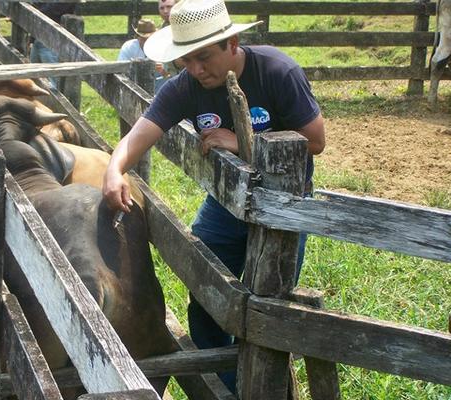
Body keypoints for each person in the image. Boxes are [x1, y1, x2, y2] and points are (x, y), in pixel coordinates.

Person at [102, 0, 326, 392]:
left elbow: (316, 140)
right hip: (225, 207)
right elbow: (141, 132)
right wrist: (114, 169)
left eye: (203, 58)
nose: (196, 70)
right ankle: (231, 387)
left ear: (233, 43)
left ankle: (265, 383)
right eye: (186, 60)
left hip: (284, 213)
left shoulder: (277, 71)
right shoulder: (187, 86)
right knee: (207, 296)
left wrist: (242, 142)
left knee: (268, 306)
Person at [29, 3, 77, 88]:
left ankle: (55, 99)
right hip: (39, 38)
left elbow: (51, 10)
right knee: (34, 74)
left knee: (53, 81)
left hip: (53, 41)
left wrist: (30, 13)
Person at [117, 19, 169, 93]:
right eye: (143, 39)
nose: (147, 41)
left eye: (150, 38)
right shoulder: (129, 47)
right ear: (137, 37)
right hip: (133, 86)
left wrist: (164, 71)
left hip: (159, 89)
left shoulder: (164, 48)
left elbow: (172, 75)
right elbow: (120, 70)